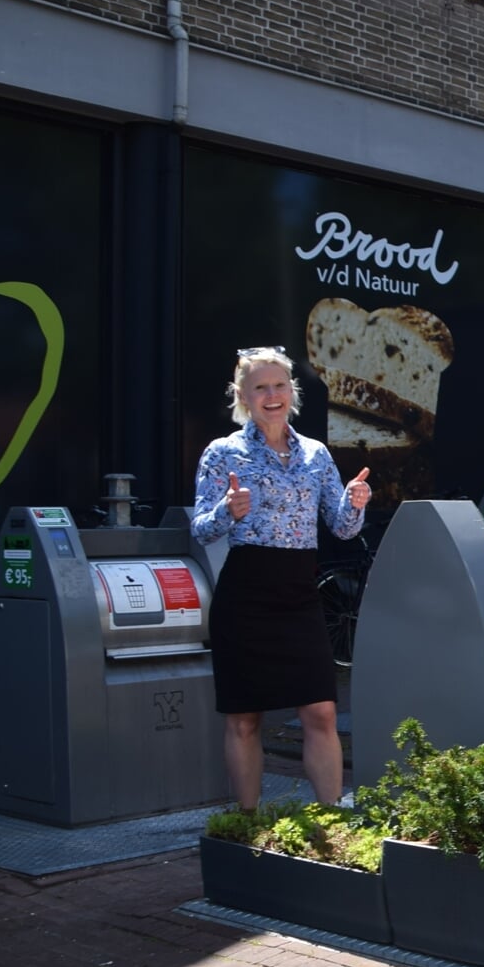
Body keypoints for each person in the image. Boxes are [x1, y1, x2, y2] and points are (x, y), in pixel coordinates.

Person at [191, 346, 371, 810]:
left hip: (298, 594)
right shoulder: (223, 452)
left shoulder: (315, 453)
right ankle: (248, 821)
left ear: (291, 391)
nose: (272, 395)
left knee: (321, 710)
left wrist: (355, 500)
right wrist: (226, 511)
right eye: (260, 387)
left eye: (279, 385)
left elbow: (342, 528)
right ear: (243, 396)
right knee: (245, 717)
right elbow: (200, 528)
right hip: (245, 591)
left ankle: (332, 817)